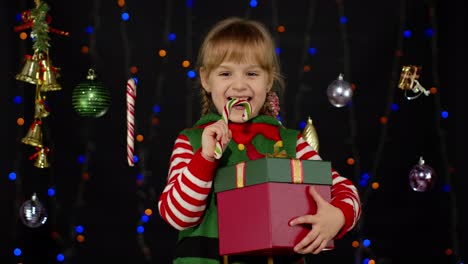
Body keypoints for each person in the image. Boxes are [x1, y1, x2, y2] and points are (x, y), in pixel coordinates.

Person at [158, 17, 361, 264]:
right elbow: (177, 216)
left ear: (268, 80)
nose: (240, 85)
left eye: (252, 73)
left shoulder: (290, 143)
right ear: (206, 79)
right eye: (225, 73)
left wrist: (337, 216)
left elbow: (344, 189)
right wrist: (205, 158)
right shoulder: (191, 141)